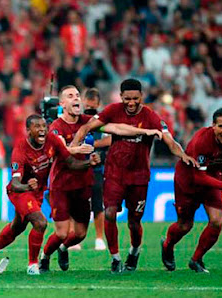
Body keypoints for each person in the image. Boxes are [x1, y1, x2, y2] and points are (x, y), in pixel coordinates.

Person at [72, 78, 198, 273]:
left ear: (142, 97)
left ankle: (135, 250)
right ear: (121, 97)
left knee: (134, 222)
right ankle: (115, 258)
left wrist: (182, 154)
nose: (131, 103)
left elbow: (169, 140)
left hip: (139, 177)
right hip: (114, 173)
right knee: (110, 213)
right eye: (127, 98)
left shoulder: (151, 117)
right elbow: (86, 127)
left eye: (135, 99)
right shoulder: (113, 111)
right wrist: (73, 148)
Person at [41, 85, 163, 272]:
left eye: (77, 95)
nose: (76, 99)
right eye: (70, 96)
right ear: (62, 104)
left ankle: (63, 249)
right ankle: (45, 256)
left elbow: (116, 128)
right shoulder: (56, 127)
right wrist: (75, 149)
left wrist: (144, 132)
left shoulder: (88, 121)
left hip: (83, 185)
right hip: (61, 186)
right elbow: (57, 150)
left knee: (80, 234)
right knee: (62, 232)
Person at [0, 115, 100, 275]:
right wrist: (26, 185)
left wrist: (88, 163)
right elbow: (14, 183)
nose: (42, 129)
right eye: (37, 127)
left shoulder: (53, 140)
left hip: (37, 191)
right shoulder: (20, 149)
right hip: (20, 191)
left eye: (44, 126)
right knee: (41, 222)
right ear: (28, 130)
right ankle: (33, 265)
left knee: (18, 227)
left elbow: (70, 162)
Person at [162, 108, 222, 273]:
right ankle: (167, 245)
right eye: (221, 127)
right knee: (185, 226)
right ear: (213, 126)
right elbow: (199, 178)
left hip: (211, 179)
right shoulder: (202, 142)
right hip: (188, 183)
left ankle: (196, 259)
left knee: (217, 221)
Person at [81, 88, 107, 250]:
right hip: (78, 169)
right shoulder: (78, 120)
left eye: (93, 106)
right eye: (88, 106)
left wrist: (91, 146)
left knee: (98, 205)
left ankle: (99, 238)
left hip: (97, 169)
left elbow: (111, 139)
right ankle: (76, 238)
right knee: (77, 204)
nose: (90, 109)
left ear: (98, 104)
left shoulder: (104, 121)